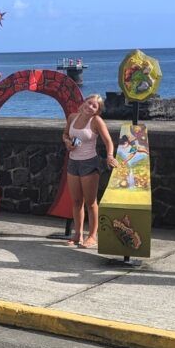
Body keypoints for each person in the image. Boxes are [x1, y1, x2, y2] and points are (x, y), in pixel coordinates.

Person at [62, 93, 116, 247]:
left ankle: (92, 236)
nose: (90, 107)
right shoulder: (73, 117)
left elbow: (108, 141)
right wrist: (67, 142)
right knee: (77, 201)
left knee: (91, 202)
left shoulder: (96, 121)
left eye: (94, 106)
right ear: (84, 102)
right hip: (73, 163)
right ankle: (78, 235)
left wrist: (110, 156)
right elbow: (65, 134)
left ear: (97, 111)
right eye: (89, 103)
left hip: (89, 164)